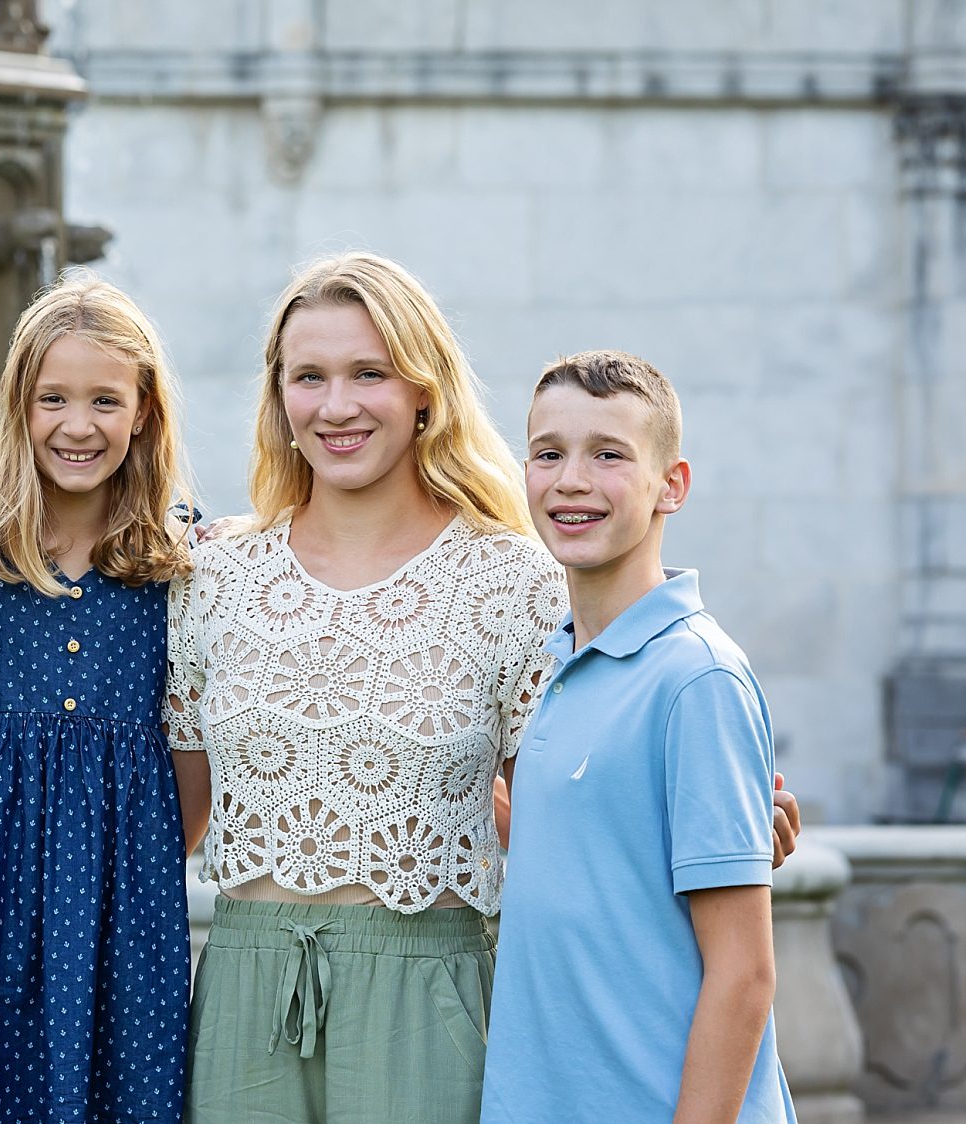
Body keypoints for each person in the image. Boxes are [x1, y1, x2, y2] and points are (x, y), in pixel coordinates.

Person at [165, 252, 560, 1123]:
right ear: (280, 398)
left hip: (426, 997)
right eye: (309, 377)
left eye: (368, 373)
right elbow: (169, 817)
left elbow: (562, 816)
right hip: (241, 990)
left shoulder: (514, 582)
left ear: (424, 391)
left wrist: (702, 817)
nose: (335, 406)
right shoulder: (215, 577)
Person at [0, 276, 201, 1122]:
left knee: (126, 1091)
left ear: (144, 409)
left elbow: (193, 757)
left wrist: (135, 848)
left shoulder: (178, 557)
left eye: (106, 399)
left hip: (127, 898)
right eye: (54, 399)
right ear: (20, 406)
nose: (79, 426)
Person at [479, 351, 797, 1123]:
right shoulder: (559, 667)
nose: (572, 480)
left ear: (672, 486)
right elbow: (592, 870)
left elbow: (744, 975)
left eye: (609, 455)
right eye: (549, 454)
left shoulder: (697, 679)